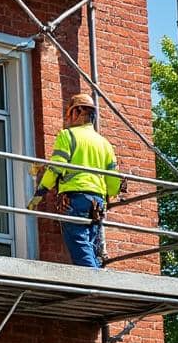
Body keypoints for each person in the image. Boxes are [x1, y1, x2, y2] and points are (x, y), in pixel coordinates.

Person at [28, 93, 120, 268]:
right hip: (97, 203)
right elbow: (114, 185)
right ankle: (97, 277)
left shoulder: (68, 135)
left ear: (77, 111)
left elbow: (57, 168)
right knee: (90, 246)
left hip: (75, 200)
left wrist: (39, 194)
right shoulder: (104, 143)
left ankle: (94, 280)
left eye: (69, 113)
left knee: (80, 247)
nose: (67, 119)